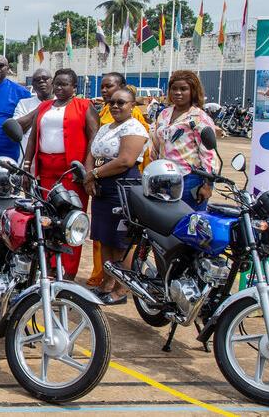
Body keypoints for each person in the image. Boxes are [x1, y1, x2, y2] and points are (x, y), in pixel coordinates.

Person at [17, 67, 98, 279]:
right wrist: (27, 167)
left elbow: (93, 138)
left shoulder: (84, 106)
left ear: (74, 87)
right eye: (57, 83)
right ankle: (51, 266)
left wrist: (87, 170)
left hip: (71, 171)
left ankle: (67, 270)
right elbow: (33, 137)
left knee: (69, 220)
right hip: (46, 170)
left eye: (65, 84)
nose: (59, 88)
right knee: (47, 220)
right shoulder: (45, 106)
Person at [84, 72, 150, 287]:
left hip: (123, 186)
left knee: (121, 241)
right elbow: (92, 153)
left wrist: (94, 174)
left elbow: (125, 160)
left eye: (121, 102)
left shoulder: (134, 127)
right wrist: (90, 176)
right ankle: (106, 283)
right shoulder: (106, 127)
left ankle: (121, 288)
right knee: (104, 238)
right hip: (103, 188)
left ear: (132, 106)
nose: (115, 106)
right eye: (112, 102)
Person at [149, 70, 217, 210]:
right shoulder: (164, 114)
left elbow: (208, 154)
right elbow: (157, 144)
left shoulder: (199, 118)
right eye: (174, 88)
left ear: (193, 91)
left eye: (183, 89)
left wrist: (207, 185)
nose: (178, 92)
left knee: (188, 224)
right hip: (162, 178)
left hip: (189, 180)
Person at [14, 68, 52, 162]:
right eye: (37, 80)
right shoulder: (23, 104)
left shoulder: (63, 104)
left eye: (45, 78)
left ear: (53, 82)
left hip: (53, 162)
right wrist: (42, 107)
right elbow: (17, 128)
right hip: (28, 163)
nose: (41, 81)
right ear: (33, 85)